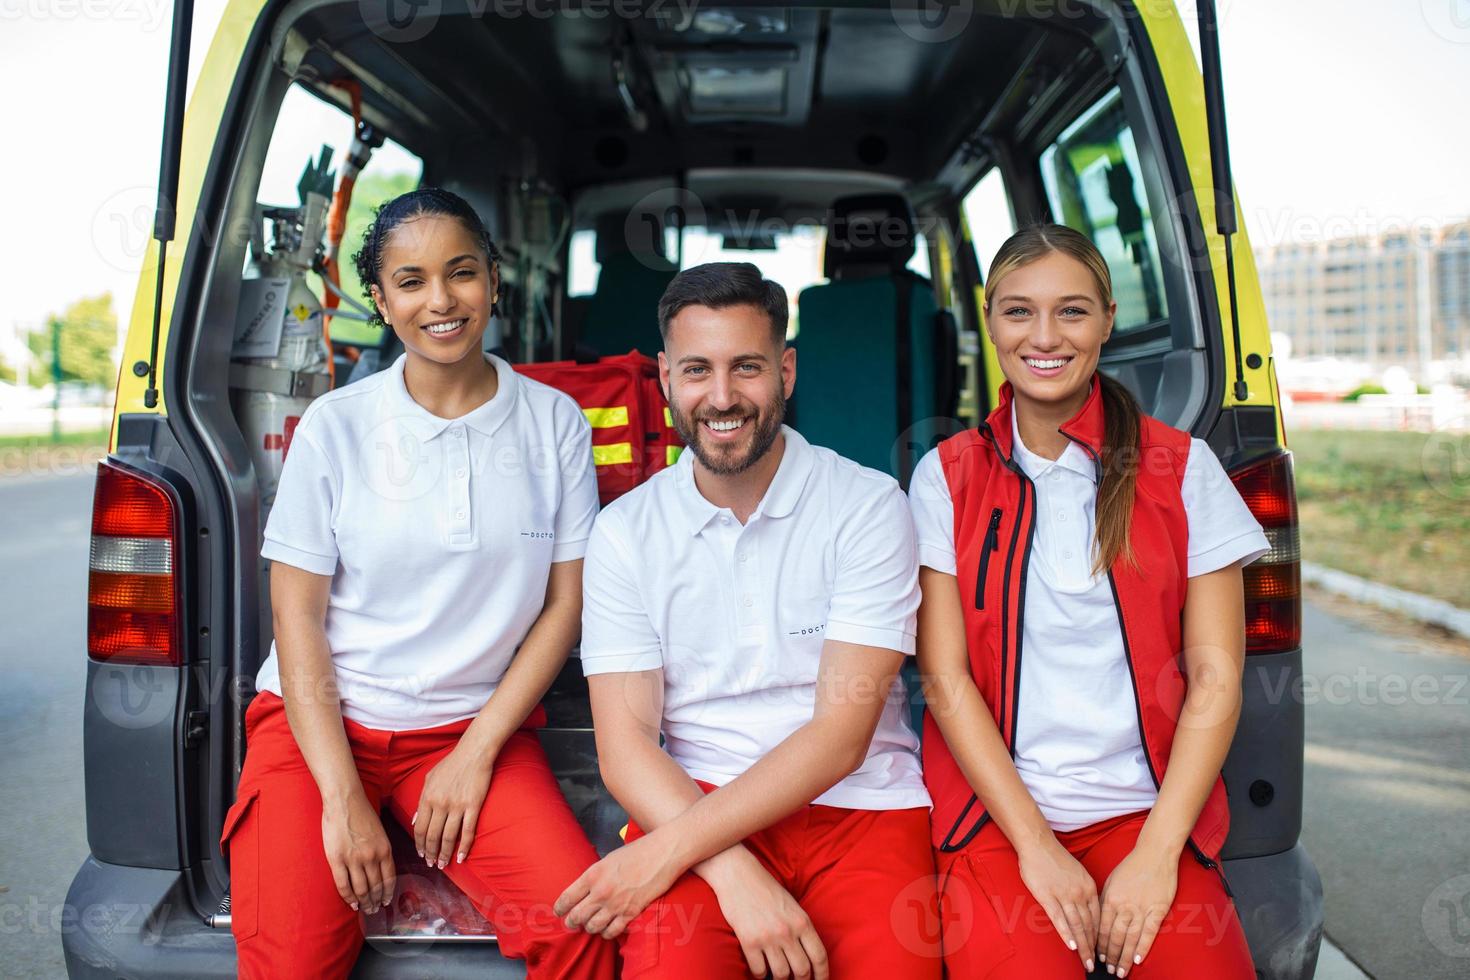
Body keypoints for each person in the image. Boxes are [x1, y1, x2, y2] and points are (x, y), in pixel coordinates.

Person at [219, 187, 616, 980]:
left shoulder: (555, 423)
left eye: (461, 273)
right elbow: (295, 620)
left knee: (580, 931)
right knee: (294, 964)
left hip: (472, 730)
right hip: (321, 734)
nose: (441, 300)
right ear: (381, 300)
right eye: (411, 281)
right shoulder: (336, 426)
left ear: (494, 282)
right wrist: (341, 799)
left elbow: (564, 607)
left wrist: (474, 754)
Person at [552, 262, 940, 979]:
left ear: (787, 372)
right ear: (665, 378)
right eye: (697, 370)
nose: (722, 397)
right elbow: (627, 746)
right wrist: (730, 871)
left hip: (861, 808)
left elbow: (839, 737)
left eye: (748, 368)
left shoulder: (867, 505)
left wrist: (666, 855)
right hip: (691, 800)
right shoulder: (625, 531)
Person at [909, 224, 1267, 978]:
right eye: (1019, 312)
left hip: (1147, 818)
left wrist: (1158, 855)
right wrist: (1035, 848)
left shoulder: (1182, 467)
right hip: (1001, 822)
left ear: (1108, 318)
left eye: (1072, 311)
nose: (1045, 336)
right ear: (989, 319)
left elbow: (1217, 679)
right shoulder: (946, 475)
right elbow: (946, 680)